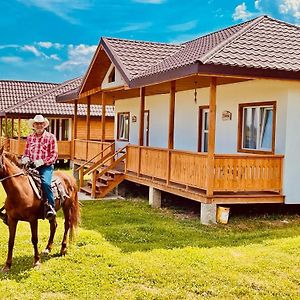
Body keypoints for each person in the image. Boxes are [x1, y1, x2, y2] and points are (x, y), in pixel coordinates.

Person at [21, 115, 58, 220]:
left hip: (45, 167)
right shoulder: (30, 137)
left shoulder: (50, 137)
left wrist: (42, 162)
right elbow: (26, 152)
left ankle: (51, 207)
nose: (39, 125)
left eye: (41, 123)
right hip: (31, 166)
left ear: (44, 125)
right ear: (34, 125)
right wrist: (25, 158)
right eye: (37, 123)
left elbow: (54, 155)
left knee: (46, 183)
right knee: (17, 181)